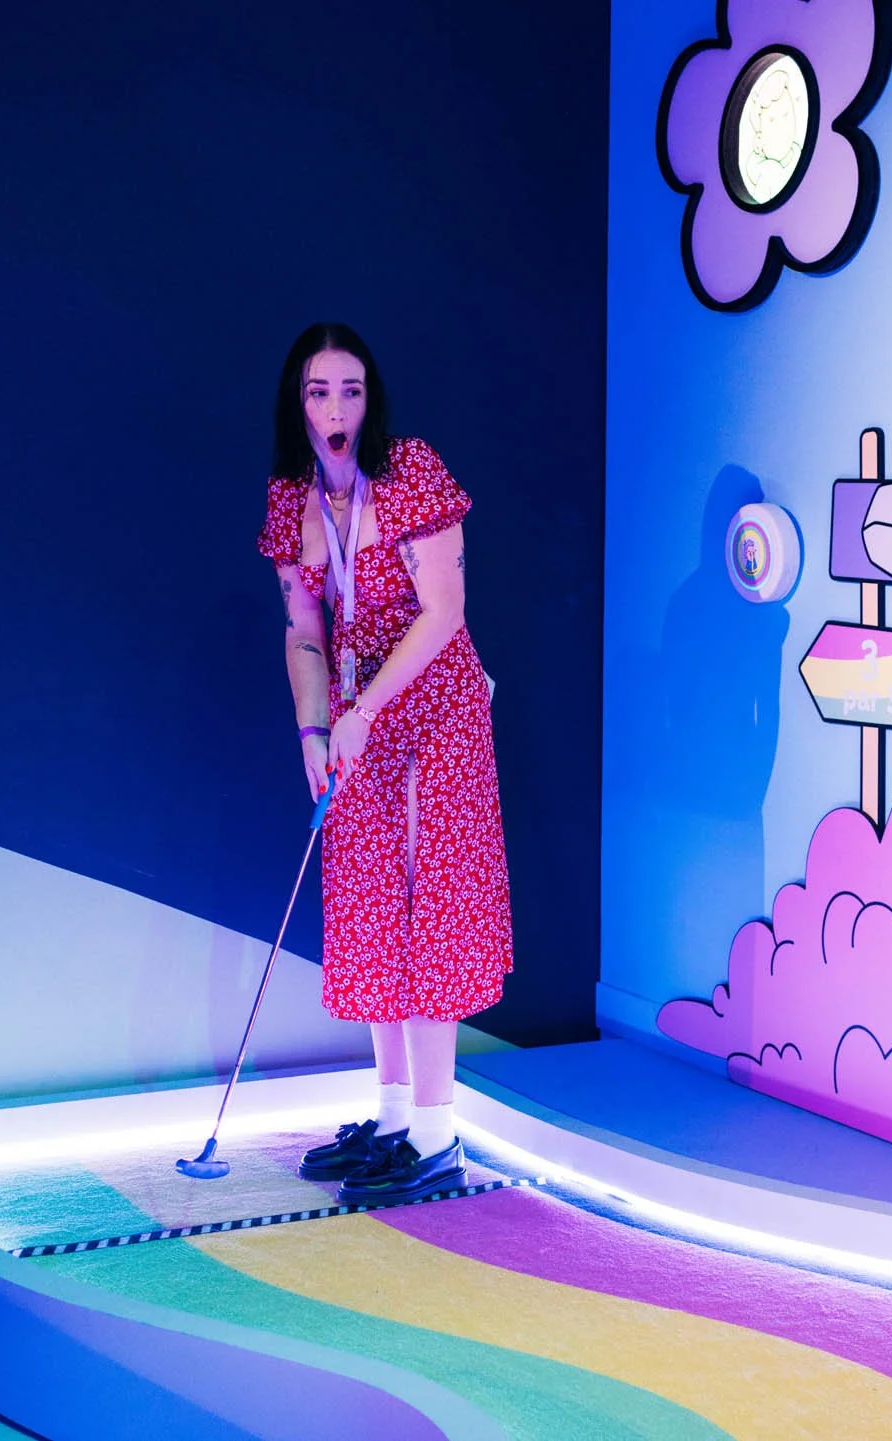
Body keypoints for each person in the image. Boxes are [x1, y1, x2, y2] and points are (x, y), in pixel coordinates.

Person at [258, 323, 514, 1203]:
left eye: (352, 389)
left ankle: (440, 1136)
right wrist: (313, 732)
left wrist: (362, 711)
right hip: (357, 715)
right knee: (370, 898)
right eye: (320, 391)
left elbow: (444, 608)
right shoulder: (294, 501)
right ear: (298, 402)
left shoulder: (410, 471)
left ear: (372, 399)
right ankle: (397, 1115)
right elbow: (304, 631)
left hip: (433, 709)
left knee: (428, 899)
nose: (337, 408)